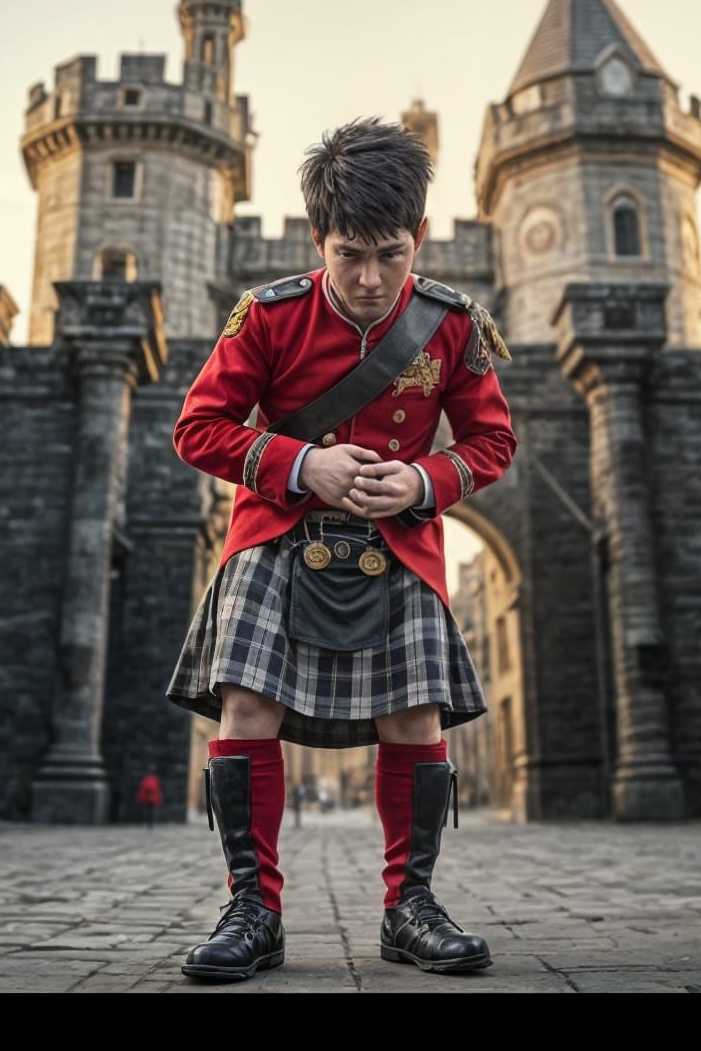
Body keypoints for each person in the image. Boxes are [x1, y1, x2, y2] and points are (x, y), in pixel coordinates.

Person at [166, 117, 517, 982]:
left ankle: (410, 909)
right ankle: (254, 911)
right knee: (248, 713)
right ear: (316, 237)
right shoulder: (268, 316)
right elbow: (196, 428)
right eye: (348, 254)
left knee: (415, 719)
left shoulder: (451, 327)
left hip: (398, 544)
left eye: (390, 256)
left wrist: (427, 481)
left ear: (420, 238)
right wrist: (301, 463)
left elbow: (493, 442)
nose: (368, 280)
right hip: (277, 533)